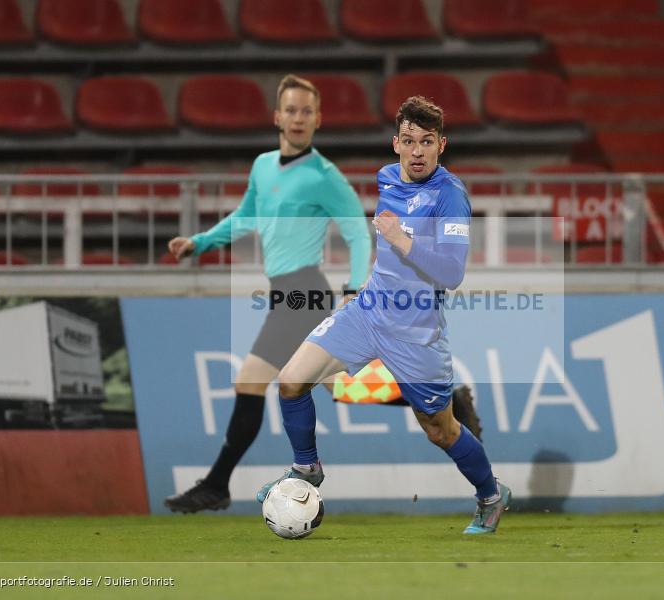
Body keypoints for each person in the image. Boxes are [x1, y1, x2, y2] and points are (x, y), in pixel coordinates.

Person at [164, 76, 483, 514]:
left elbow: (357, 229)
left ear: (317, 119)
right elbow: (246, 215)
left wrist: (354, 287)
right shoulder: (263, 166)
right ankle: (444, 402)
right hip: (282, 291)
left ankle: (220, 483)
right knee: (330, 385)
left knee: (258, 381)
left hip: (305, 289)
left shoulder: (324, 175)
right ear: (277, 117)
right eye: (290, 110)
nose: (298, 119)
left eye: (306, 111)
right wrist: (200, 243)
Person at [257, 96, 511, 535]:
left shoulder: (450, 197)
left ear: (441, 145)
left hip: (416, 334)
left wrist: (401, 237)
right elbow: (388, 255)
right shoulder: (388, 178)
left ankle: (491, 496)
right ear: (396, 144)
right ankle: (307, 469)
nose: (417, 151)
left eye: (426, 142)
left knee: (441, 431)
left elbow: (451, 272)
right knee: (291, 381)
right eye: (409, 141)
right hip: (367, 313)